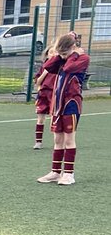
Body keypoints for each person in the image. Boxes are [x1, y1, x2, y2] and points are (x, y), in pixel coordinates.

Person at [36, 32, 90, 186]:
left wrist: (72, 55)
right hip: (57, 104)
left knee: (68, 139)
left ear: (73, 47)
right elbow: (47, 66)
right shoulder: (61, 59)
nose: (63, 57)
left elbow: (68, 68)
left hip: (71, 104)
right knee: (57, 139)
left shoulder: (83, 58)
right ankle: (55, 172)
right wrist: (60, 55)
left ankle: (68, 174)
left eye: (64, 53)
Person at [32, 42, 57, 150]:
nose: (53, 54)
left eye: (55, 52)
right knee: (40, 119)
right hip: (43, 94)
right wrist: (45, 73)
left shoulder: (60, 67)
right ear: (47, 55)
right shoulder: (44, 67)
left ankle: (57, 142)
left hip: (54, 94)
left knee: (54, 118)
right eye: (51, 52)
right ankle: (38, 142)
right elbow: (37, 82)